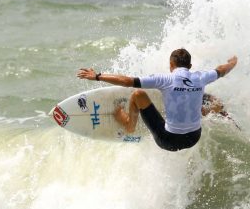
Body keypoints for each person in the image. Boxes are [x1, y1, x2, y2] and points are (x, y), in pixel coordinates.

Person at [77, 48, 238, 151]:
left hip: (167, 140)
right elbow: (221, 70)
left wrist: (97, 76)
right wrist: (232, 62)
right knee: (210, 100)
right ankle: (205, 112)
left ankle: (128, 124)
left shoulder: (165, 79)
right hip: (193, 138)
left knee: (138, 94)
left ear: (171, 65)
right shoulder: (202, 77)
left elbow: (127, 82)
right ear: (190, 66)